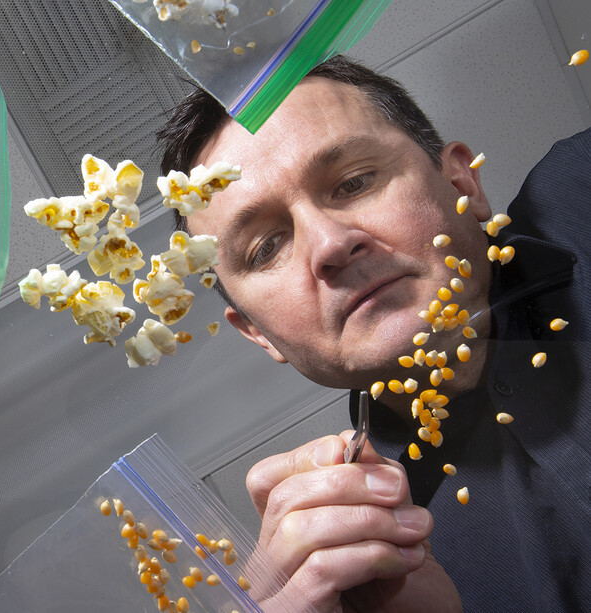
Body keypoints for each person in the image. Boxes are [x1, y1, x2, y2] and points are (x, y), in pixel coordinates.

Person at [157, 55, 591, 611]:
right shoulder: (378, 568)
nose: (330, 246)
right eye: (266, 248)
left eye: (354, 182)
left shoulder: (581, 190)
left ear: (461, 181)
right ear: (257, 334)